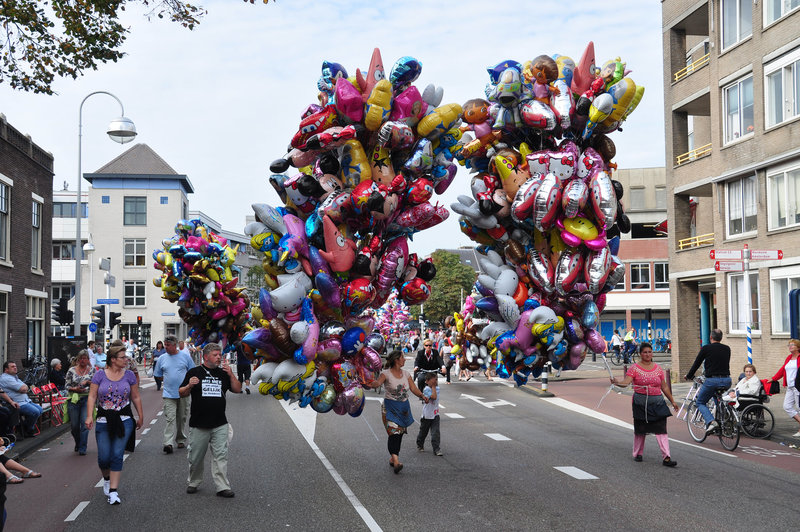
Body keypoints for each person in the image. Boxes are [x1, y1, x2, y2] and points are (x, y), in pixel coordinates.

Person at [179, 343, 241, 497]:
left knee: (221, 456)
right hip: (199, 424)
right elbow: (181, 393)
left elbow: (238, 389)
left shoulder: (223, 374)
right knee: (195, 457)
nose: (219, 357)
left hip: (220, 423)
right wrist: (189, 385)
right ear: (206, 357)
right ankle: (194, 481)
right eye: (215, 355)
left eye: (220, 355)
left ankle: (222, 486)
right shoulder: (194, 372)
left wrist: (231, 374)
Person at [85, 344, 144, 505]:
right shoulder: (99, 375)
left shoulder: (129, 375)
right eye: (123, 357)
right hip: (104, 419)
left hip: (124, 419)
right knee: (104, 458)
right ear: (112, 359)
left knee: (117, 454)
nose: (126, 360)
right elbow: (91, 397)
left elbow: (136, 396)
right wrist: (90, 416)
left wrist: (140, 415)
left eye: (126, 357)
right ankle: (106, 478)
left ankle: (113, 491)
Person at [612, 343, 678, 466]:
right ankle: (637, 453)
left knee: (661, 429)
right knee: (640, 430)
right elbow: (626, 383)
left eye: (649, 352)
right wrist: (617, 383)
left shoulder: (658, 368)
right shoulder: (634, 368)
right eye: (645, 352)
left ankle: (667, 457)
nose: (647, 354)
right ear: (640, 354)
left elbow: (664, 386)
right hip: (640, 403)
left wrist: (672, 401)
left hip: (657, 402)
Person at [364, 350, 427, 474]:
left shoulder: (406, 374)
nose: (404, 359)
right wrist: (370, 383)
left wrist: (422, 396)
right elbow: (378, 383)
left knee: (400, 433)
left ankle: (393, 457)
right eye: (402, 357)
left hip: (403, 408)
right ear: (396, 360)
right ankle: (397, 461)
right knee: (394, 434)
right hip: (390, 408)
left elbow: (413, 388)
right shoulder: (385, 373)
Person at [684, 328, 731, 434]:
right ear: (721, 338)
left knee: (700, 402)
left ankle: (712, 421)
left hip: (712, 380)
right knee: (716, 397)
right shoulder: (727, 348)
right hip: (727, 380)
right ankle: (722, 420)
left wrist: (689, 375)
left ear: (711, 337)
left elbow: (697, 363)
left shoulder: (706, 348)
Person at [153, 335, 195, 454]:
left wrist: (188, 385)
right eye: (165, 345)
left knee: (181, 417)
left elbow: (192, 372)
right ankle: (168, 443)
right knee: (170, 418)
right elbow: (158, 374)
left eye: (168, 345)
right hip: (168, 393)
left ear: (175, 345)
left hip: (184, 393)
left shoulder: (185, 357)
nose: (165, 347)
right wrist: (168, 381)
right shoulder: (162, 358)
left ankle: (180, 439)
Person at [0, 362, 42, 437]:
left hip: (26, 400)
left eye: (15, 366)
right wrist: (23, 388)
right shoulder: (6, 378)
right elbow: (22, 388)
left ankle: (23, 426)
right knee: (35, 412)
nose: (15, 368)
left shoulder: (14, 377)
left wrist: (24, 388)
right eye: (12, 366)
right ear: (6, 369)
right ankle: (29, 429)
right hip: (18, 403)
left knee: (40, 409)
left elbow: (25, 387)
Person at [65, 351, 94, 455]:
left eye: (85, 358)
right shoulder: (71, 370)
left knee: (85, 423)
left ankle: (82, 447)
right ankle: (78, 442)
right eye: (81, 358)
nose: (83, 360)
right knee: (74, 426)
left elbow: (96, 384)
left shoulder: (92, 370)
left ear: (88, 360)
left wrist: (87, 382)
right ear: (77, 359)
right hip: (74, 399)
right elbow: (66, 386)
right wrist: (75, 389)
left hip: (87, 399)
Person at [771, 338, 800, 437]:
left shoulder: (799, 357)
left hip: (798, 386)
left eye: (792, 345)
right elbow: (783, 369)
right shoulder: (788, 358)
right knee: (787, 406)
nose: (790, 347)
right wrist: (773, 378)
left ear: (798, 347)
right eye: (789, 345)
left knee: (799, 408)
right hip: (790, 386)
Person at [416, 372, 442, 456]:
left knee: (435, 433)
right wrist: (433, 387)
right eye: (433, 380)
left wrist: (434, 386)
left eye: (436, 380)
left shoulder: (437, 388)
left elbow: (434, 396)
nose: (435, 382)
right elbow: (433, 397)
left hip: (435, 414)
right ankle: (420, 443)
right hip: (426, 415)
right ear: (427, 381)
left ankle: (436, 449)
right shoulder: (426, 389)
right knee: (423, 432)